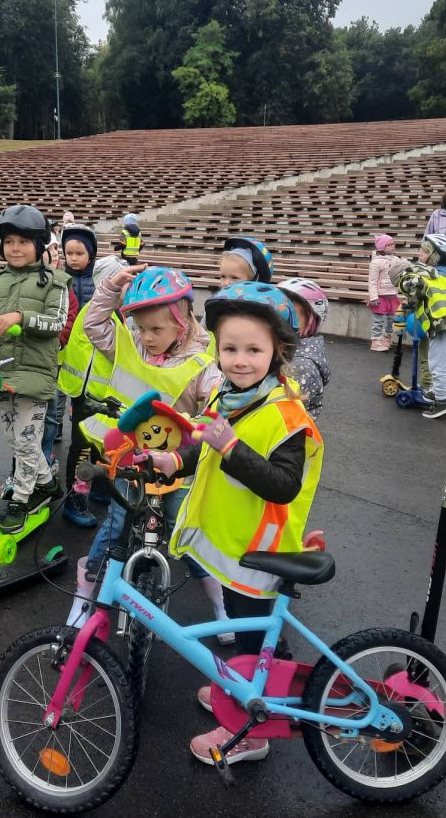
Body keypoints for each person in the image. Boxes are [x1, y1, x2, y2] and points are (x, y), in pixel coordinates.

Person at [149, 281, 322, 766]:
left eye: (253, 350)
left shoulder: (285, 415)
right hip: (235, 546)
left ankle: (251, 730)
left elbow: (282, 485)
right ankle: (243, 683)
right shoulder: (228, 397)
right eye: (230, 349)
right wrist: (172, 462)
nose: (240, 360)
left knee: (252, 634)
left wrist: (231, 447)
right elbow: (202, 449)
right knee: (249, 630)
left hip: (262, 550)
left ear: (277, 352)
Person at [69, 264, 229, 637]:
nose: (146, 337)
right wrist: (110, 288)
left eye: (156, 329)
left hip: (174, 466)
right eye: (140, 328)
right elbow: (93, 325)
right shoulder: (129, 345)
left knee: (185, 530)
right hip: (129, 459)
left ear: (182, 323)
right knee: (114, 525)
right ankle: (83, 598)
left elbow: (217, 407)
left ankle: (221, 607)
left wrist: (205, 425)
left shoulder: (201, 366)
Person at [0, 205, 68, 531]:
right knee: (16, 439)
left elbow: (56, 323)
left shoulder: (55, 282)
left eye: (23, 242)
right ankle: (48, 483)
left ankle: (22, 499)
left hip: (34, 373)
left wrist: (21, 317)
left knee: (25, 440)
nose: (15, 248)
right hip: (1, 372)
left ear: (39, 244)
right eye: (8, 242)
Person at [57, 254, 127, 527]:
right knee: (82, 448)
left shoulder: (114, 313)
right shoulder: (97, 314)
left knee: (101, 443)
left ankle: (98, 488)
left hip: (102, 394)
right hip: (88, 394)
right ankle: (74, 499)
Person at [390, 233, 446, 419]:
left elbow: (416, 288)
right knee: (445, 361)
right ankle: (436, 392)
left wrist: (410, 299)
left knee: (436, 363)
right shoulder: (438, 276)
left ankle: (442, 402)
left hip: (440, 322)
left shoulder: (411, 276)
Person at [43, 222, 97, 471]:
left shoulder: (97, 281)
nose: (73, 258)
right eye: (69, 253)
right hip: (62, 348)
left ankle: (78, 427)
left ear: (91, 255)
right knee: (58, 392)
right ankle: (56, 427)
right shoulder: (60, 280)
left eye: (79, 253)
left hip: (86, 351)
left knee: (80, 394)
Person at [277, 278, 331, 418]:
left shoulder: (301, 367)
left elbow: (285, 414)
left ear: (311, 322)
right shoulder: (284, 349)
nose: (280, 323)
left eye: (291, 318)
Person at [367, 233, 401, 351]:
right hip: (380, 296)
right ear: (382, 247)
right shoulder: (376, 263)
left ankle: (387, 338)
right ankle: (376, 341)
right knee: (378, 320)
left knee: (392, 319)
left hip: (392, 295)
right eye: (389, 244)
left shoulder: (397, 260)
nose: (393, 246)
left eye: (393, 244)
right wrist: (373, 297)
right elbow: (372, 281)